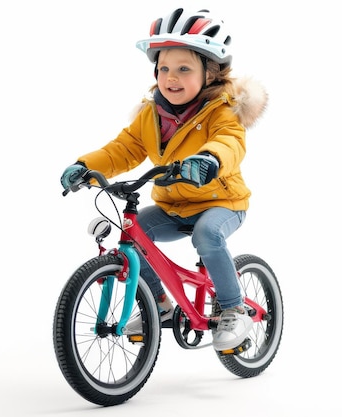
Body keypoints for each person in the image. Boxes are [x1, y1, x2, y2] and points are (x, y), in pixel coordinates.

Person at [59, 7, 267, 351]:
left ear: (210, 74)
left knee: (208, 234)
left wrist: (208, 159)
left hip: (221, 202)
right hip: (174, 206)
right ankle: (159, 303)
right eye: (164, 68)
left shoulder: (222, 111)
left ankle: (234, 308)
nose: (171, 77)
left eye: (184, 69)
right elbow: (123, 149)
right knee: (134, 234)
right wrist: (84, 165)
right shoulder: (151, 114)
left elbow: (229, 142)